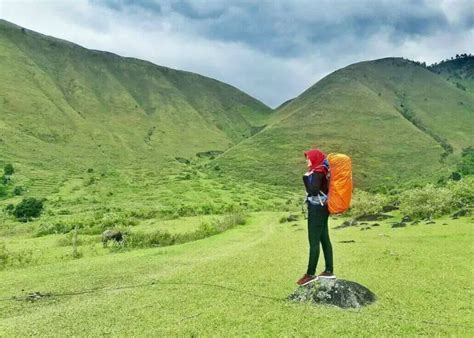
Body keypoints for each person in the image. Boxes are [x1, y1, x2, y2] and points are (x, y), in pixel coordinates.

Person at [296, 148, 336, 286]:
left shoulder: (318, 171)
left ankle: (310, 274)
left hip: (317, 209)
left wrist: (305, 177)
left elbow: (313, 191)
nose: (307, 160)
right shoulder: (322, 170)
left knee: (314, 241)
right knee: (324, 238)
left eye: (308, 158)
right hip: (323, 208)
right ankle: (329, 270)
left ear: (314, 158)